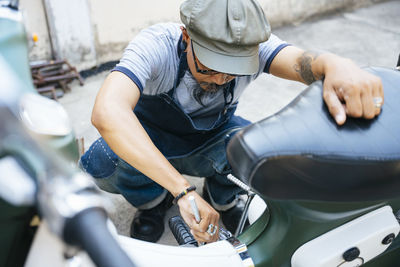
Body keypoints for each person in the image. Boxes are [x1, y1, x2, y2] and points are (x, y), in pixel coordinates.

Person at [80, 0, 383, 244]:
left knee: (254, 148)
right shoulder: (155, 46)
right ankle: (152, 201)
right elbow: (108, 112)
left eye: (233, 69)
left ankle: (222, 197)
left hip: (211, 137)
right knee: (106, 158)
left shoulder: (256, 48)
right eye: (211, 67)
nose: (222, 79)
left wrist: (336, 64)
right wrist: (182, 192)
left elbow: (305, 63)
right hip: (152, 138)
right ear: (187, 37)